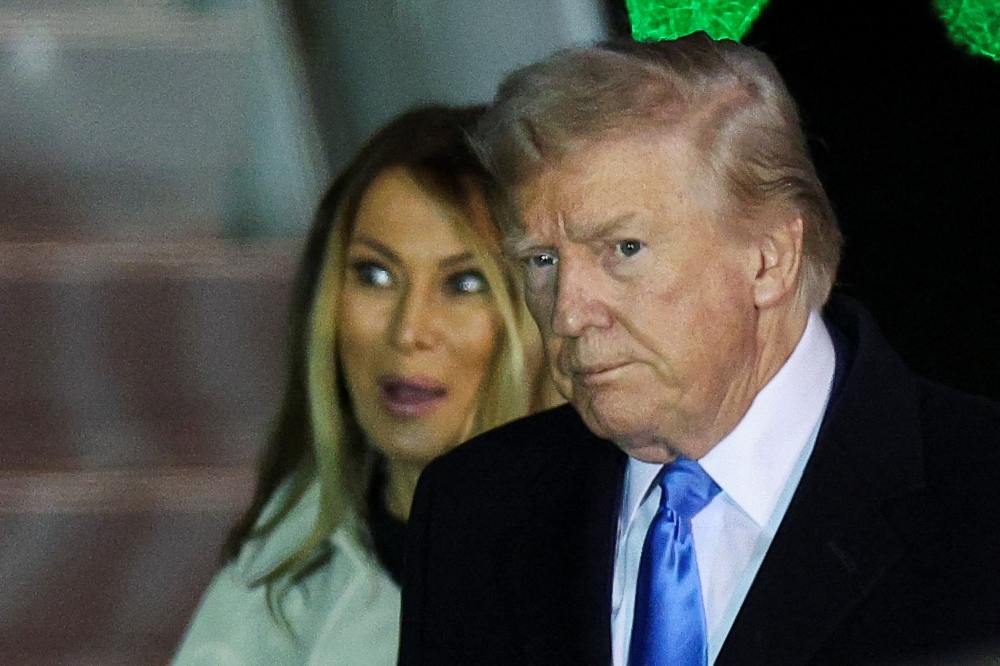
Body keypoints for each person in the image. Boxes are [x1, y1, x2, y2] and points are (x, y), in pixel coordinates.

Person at [398, 34, 1000, 666]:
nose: (568, 311)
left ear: (770, 260)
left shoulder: (979, 498)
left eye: (624, 249)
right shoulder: (475, 510)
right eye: (542, 260)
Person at [172, 105, 554, 666]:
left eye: (464, 283)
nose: (408, 330)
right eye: (375, 275)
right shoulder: (293, 546)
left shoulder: (625, 561)